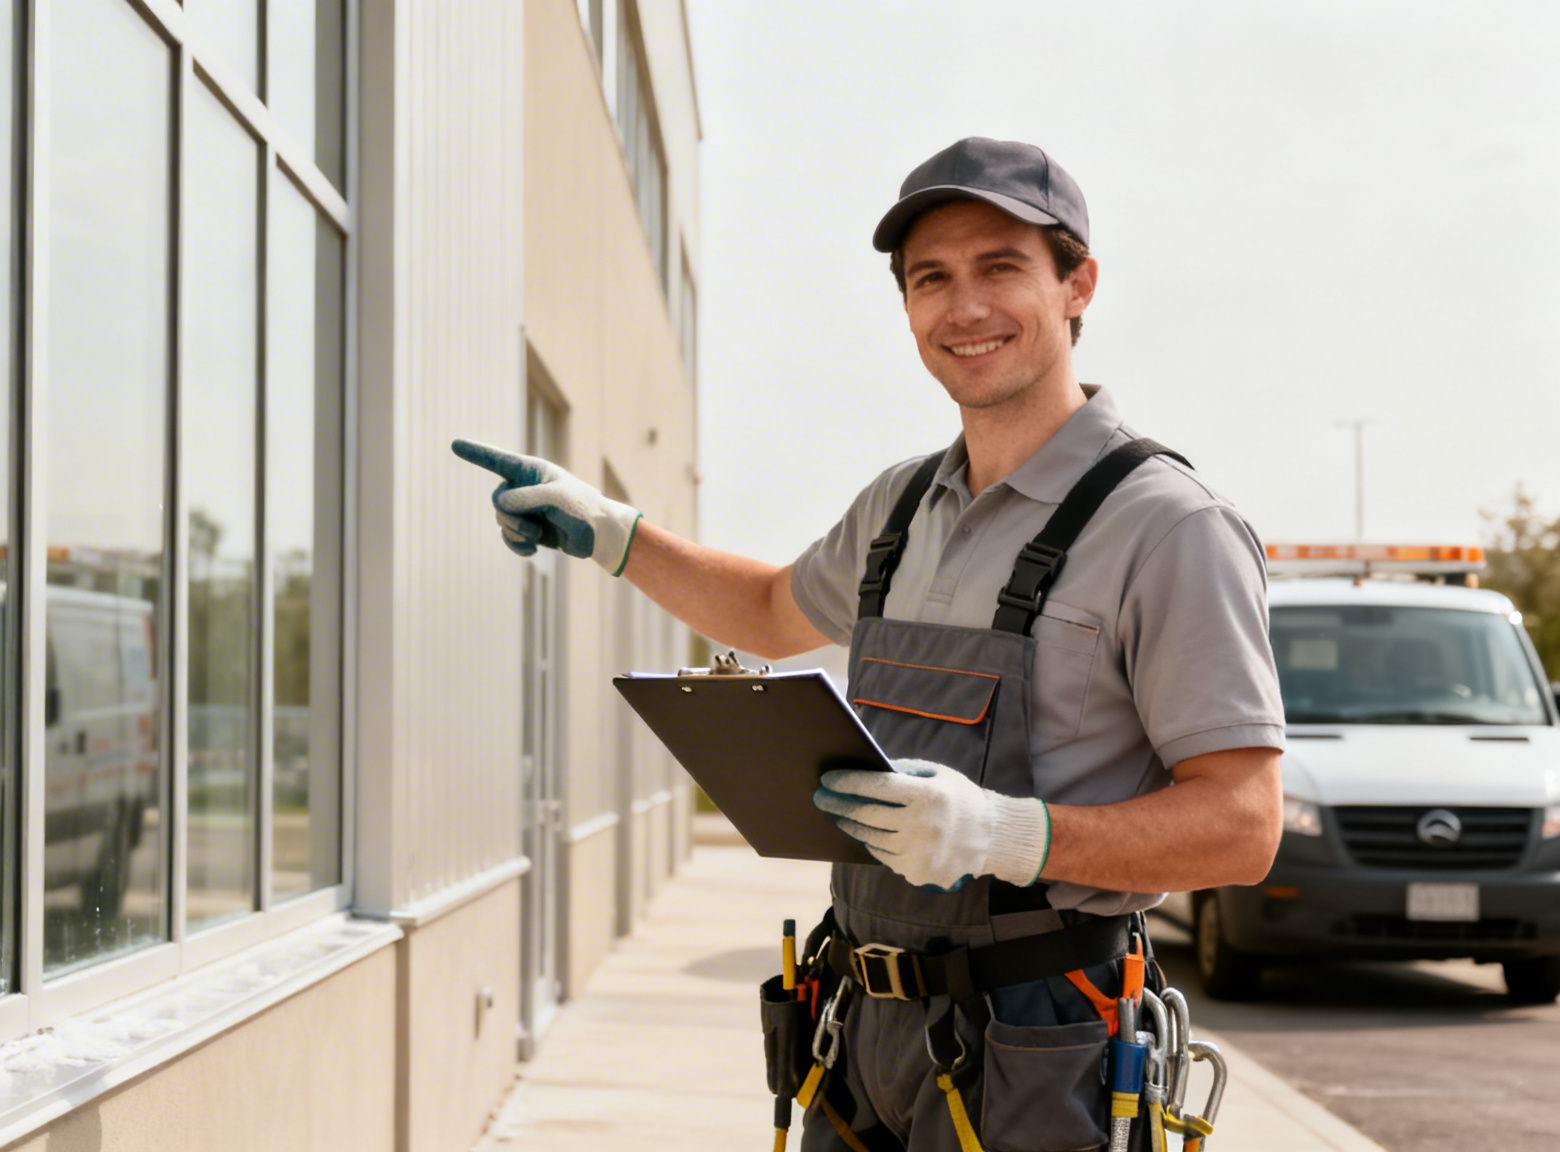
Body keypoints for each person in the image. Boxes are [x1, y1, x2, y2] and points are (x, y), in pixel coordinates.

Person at [453, 136, 1284, 1150]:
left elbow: (1241, 824)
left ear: (1077, 285)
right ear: (904, 309)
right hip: (859, 1024)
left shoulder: (1167, 528)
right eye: (929, 279)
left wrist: (1004, 834)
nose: (963, 307)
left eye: (999, 268)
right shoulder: (896, 507)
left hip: (1042, 1040)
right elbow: (766, 612)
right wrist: (614, 535)